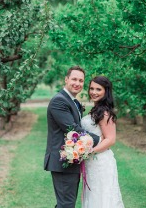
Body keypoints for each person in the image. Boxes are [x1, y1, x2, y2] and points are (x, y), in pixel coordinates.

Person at [44, 66, 100, 208]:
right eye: (74, 79)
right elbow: (72, 130)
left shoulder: (71, 101)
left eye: (81, 80)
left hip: (71, 159)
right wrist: (98, 138)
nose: (77, 83)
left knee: (66, 204)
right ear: (66, 79)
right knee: (66, 204)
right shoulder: (59, 101)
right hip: (63, 160)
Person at [80, 75, 124, 208]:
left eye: (98, 89)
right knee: (93, 197)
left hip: (101, 162)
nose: (93, 92)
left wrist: (90, 151)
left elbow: (110, 139)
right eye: (91, 88)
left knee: (102, 198)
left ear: (106, 91)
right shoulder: (96, 109)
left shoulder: (104, 113)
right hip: (91, 162)